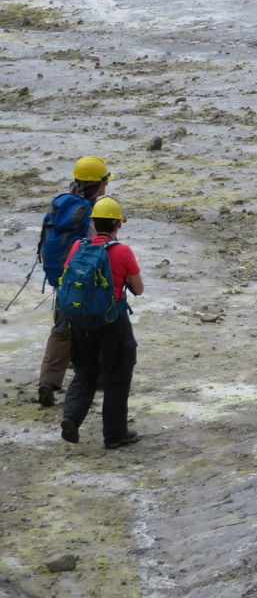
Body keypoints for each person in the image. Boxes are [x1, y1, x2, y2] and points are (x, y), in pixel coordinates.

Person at [59, 196, 144, 449]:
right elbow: (138, 289)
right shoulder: (122, 251)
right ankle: (115, 435)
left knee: (85, 371)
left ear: (94, 223)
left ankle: (71, 418)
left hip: (79, 319)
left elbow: (68, 277)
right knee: (117, 374)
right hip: (111, 320)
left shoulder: (77, 247)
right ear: (117, 224)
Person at [36, 155, 111, 408]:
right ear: (97, 184)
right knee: (98, 325)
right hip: (86, 281)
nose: (106, 186)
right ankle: (99, 377)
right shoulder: (91, 212)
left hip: (61, 278)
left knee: (61, 330)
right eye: (104, 181)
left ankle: (48, 381)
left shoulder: (62, 206)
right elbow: (98, 245)